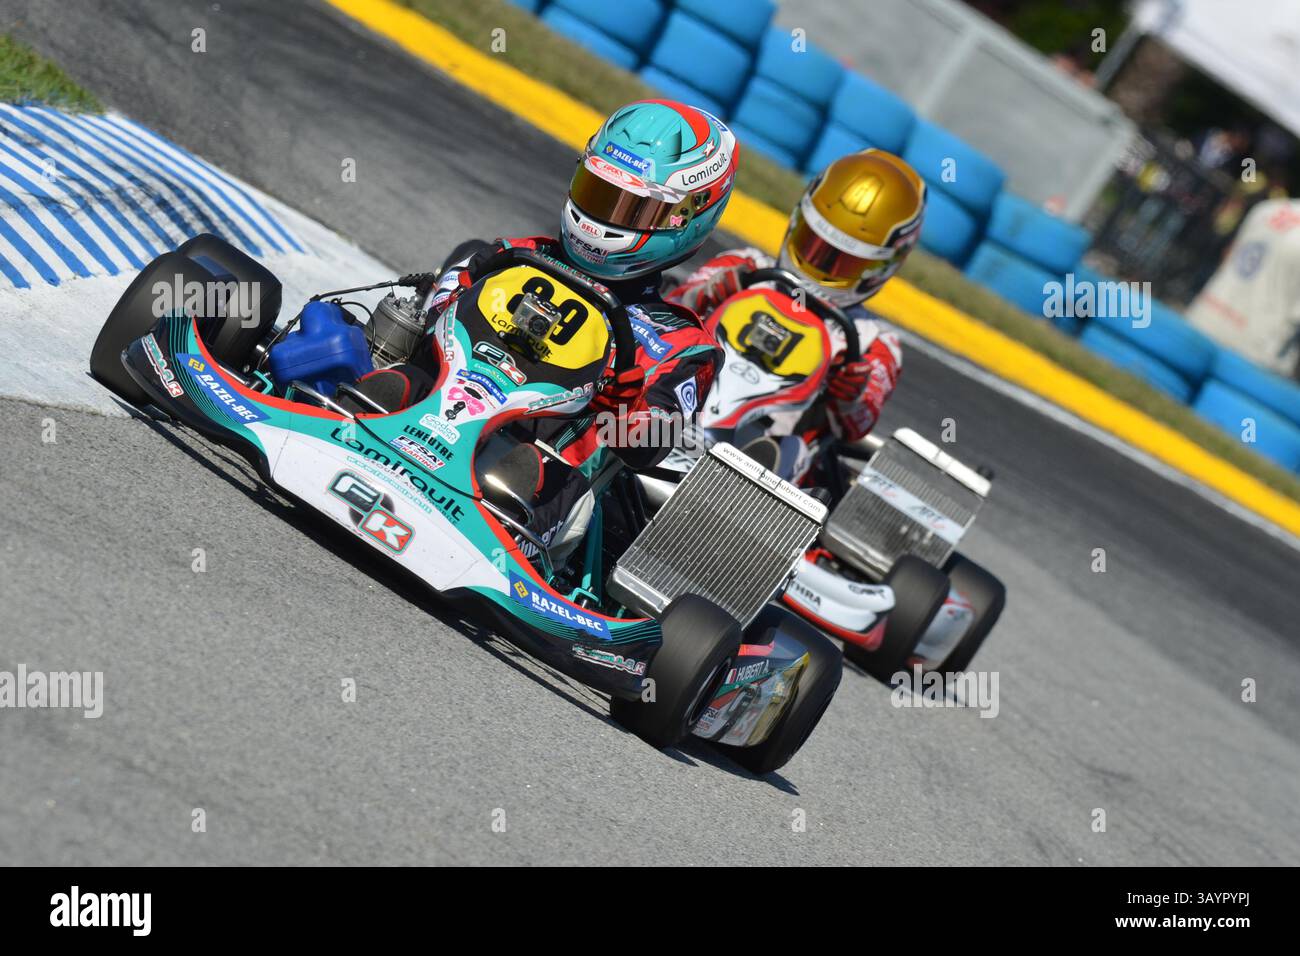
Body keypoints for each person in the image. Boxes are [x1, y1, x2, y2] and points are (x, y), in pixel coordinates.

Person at [359, 100, 737, 560]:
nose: (605, 218)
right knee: (395, 380)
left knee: (526, 473)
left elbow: (652, 446)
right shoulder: (515, 254)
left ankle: (498, 541)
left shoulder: (681, 342)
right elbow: (440, 297)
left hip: (537, 477)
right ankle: (356, 416)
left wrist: (625, 407)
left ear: (685, 219)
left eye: (632, 208)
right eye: (598, 193)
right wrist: (448, 298)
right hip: (434, 412)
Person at [665, 149, 925, 458]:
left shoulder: (872, 341)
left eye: (842, 262)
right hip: (681, 400)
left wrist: (851, 394)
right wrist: (707, 294)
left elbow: (858, 424)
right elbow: (665, 316)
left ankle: (753, 471)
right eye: (813, 246)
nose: (818, 265)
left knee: (794, 450)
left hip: (768, 448)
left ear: (879, 269)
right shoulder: (746, 267)